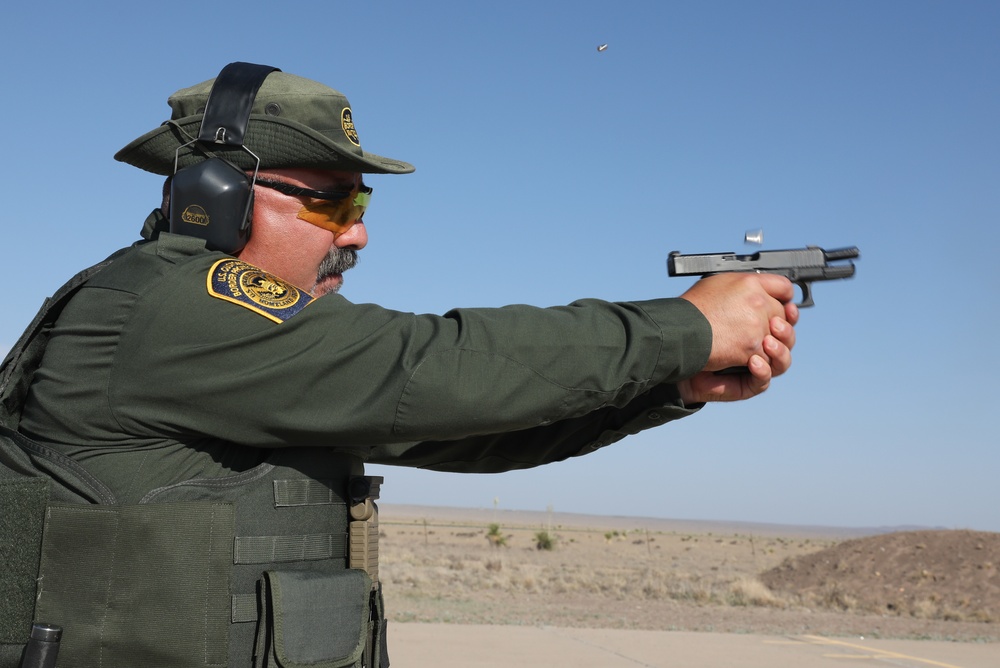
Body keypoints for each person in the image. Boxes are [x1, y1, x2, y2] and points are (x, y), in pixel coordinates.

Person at [0, 64, 797, 668]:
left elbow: (467, 430)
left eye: (363, 206)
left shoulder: (251, 357)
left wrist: (669, 385)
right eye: (334, 203)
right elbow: (432, 366)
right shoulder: (165, 306)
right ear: (216, 195)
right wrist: (686, 327)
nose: (357, 235)